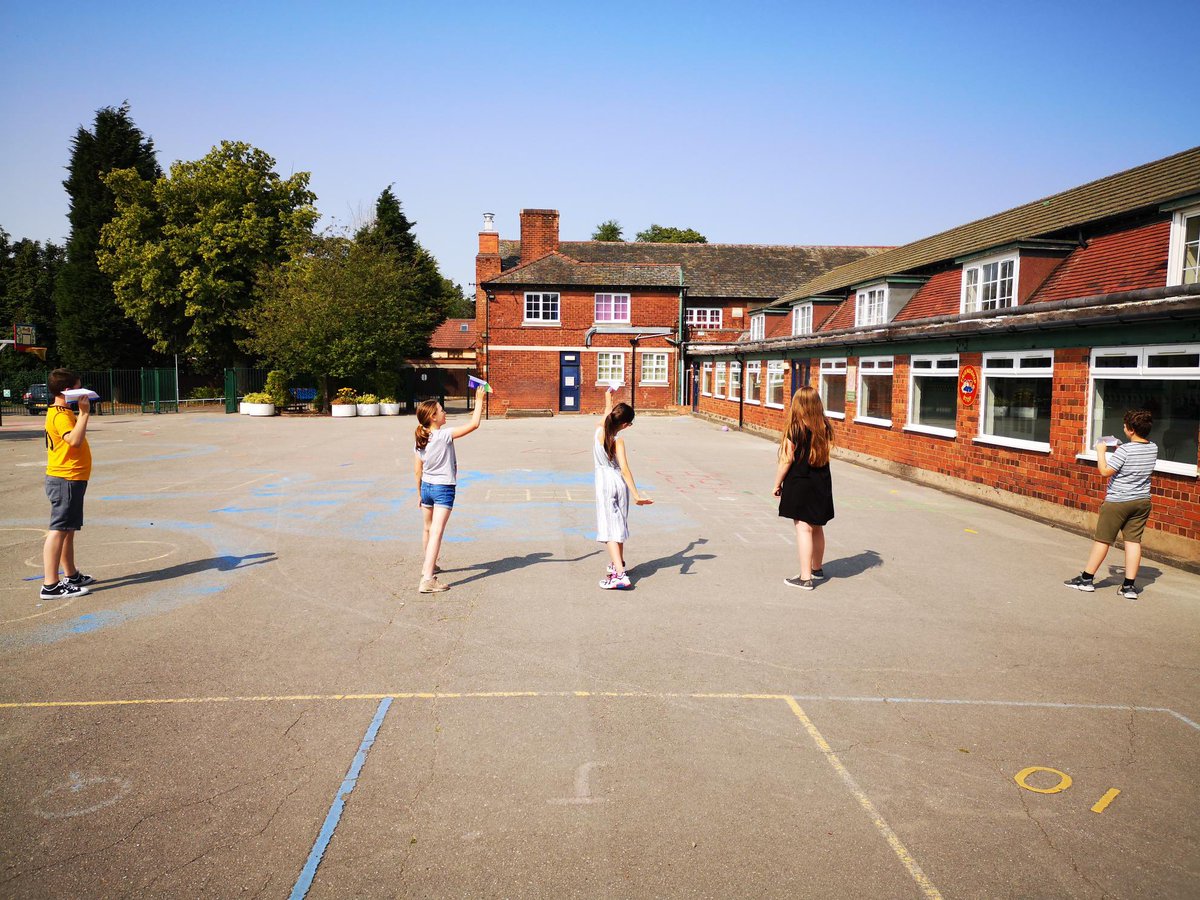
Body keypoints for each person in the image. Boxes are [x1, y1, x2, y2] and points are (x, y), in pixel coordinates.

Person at [1065, 409, 1158, 599]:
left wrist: (1101, 452)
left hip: (1118, 502)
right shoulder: (1153, 447)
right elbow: (1133, 462)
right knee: (1133, 542)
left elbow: (1106, 471)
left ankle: (1086, 579)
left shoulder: (1125, 450)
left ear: (1131, 430)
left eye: (1125, 426)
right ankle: (1129, 587)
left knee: (1103, 540)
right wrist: (1119, 452)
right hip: (1142, 501)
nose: (1123, 428)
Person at [413, 384, 488, 593]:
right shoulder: (444, 435)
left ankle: (429, 563)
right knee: (437, 531)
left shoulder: (421, 438)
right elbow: (474, 425)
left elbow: (417, 470)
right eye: (441, 410)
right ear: (433, 417)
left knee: (428, 528)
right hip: (443, 488)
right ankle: (428, 579)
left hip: (427, 487)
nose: (445, 412)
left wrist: (419, 493)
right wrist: (480, 399)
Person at [41, 368, 96, 600]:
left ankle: (71, 575)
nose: (82, 392)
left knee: (68, 530)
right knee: (58, 530)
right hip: (65, 478)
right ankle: (50, 585)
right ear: (67, 391)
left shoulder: (62, 410)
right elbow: (73, 441)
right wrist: (84, 414)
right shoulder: (61, 414)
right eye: (78, 388)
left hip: (72, 478)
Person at [774, 385, 835, 590]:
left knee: (803, 528)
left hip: (800, 482)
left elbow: (786, 460)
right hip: (821, 481)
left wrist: (776, 484)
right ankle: (816, 569)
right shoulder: (824, 427)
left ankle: (805, 577)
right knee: (817, 526)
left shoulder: (796, 428)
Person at [594, 388, 653, 590]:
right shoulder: (618, 440)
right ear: (626, 425)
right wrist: (636, 495)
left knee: (609, 530)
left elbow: (608, 408)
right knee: (618, 524)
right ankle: (618, 564)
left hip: (605, 483)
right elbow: (625, 469)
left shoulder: (599, 431)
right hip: (619, 482)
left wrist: (609, 393)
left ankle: (619, 574)